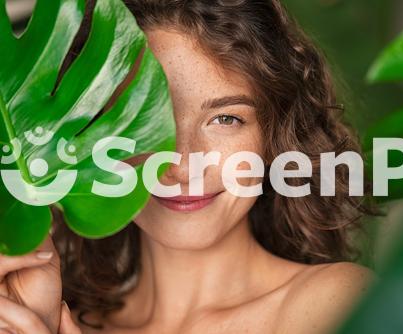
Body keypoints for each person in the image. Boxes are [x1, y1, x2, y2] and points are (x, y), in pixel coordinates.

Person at [0, 0, 375, 333]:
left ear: (272, 136)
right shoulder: (48, 323)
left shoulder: (338, 304)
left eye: (225, 120)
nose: (182, 165)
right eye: (145, 120)